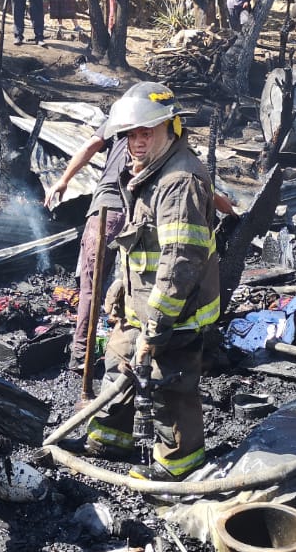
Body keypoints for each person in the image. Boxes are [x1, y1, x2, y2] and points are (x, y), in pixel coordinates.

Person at [75, 82, 220, 482]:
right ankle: (110, 438)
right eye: (131, 135)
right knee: (119, 359)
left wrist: (157, 324)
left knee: (166, 383)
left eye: (146, 133)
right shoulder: (147, 172)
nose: (137, 143)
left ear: (171, 128)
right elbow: (142, 241)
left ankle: (177, 467)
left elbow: (180, 262)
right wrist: (120, 288)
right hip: (142, 301)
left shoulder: (179, 181)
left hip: (176, 310)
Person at [44, 124, 132, 375]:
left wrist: (63, 180)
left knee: (91, 289)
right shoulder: (158, 124)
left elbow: (90, 146)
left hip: (107, 213)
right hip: (133, 213)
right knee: (130, 286)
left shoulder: (119, 116)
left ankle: (82, 354)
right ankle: (122, 351)